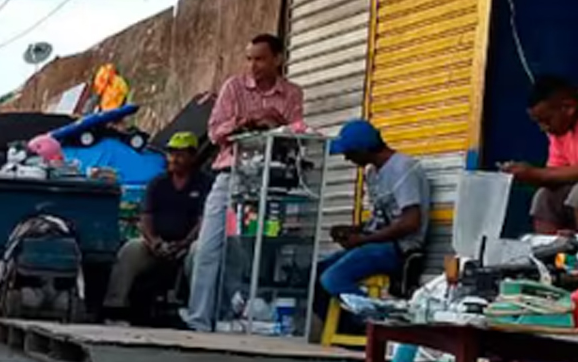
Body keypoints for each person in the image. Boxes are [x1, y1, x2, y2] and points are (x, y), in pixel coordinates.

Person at [182, 33, 306, 332]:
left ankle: (239, 317)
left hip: (270, 180)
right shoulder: (234, 87)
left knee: (252, 250)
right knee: (209, 247)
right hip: (231, 174)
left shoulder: (291, 93)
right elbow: (214, 132)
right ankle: (199, 320)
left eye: (260, 58)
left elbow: (297, 133)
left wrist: (276, 123)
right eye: (249, 59)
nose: (253, 65)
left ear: (278, 59)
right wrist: (243, 124)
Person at [317, 120, 427, 322]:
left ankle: (377, 322)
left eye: (350, 152)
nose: (346, 158)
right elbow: (379, 219)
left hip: (399, 250)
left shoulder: (403, 168)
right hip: (377, 244)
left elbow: (411, 222)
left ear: (363, 149)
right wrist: (353, 230)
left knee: (332, 278)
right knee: (316, 273)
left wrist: (364, 240)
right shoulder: (372, 172)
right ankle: (344, 328)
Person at [104, 132, 211, 324]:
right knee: (131, 250)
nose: (174, 159)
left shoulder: (204, 184)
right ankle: (114, 307)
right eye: (171, 154)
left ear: (192, 156)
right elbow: (146, 216)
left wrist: (185, 244)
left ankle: (195, 311)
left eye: (180, 154)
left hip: (188, 245)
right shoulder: (158, 183)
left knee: (200, 253)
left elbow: (204, 220)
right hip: (158, 244)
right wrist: (154, 242)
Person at [503, 76, 578, 233]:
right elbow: (554, 173)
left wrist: (536, 173)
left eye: (546, 121)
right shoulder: (560, 126)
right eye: (539, 123)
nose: (543, 128)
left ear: (568, 108)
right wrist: (527, 176)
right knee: (544, 196)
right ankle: (549, 250)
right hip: (577, 191)